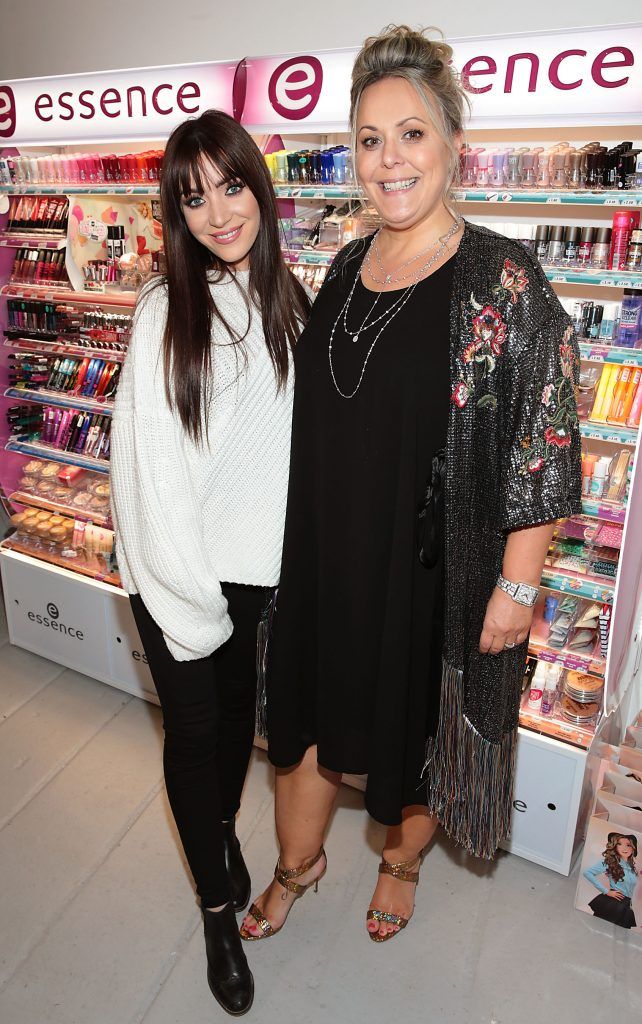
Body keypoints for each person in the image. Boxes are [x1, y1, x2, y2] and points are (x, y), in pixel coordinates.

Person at [241, 24, 582, 945]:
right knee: (303, 721)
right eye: (369, 138)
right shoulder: (349, 263)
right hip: (323, 552)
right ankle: (294, 868)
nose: (389, 160)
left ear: (454, 146)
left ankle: (397, 864)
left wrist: (518, 584)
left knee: (418, 732)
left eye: (412, 133)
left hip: (434, 566)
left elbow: (545, 440)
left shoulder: (504, 279)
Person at [110, 109, 310, 1013]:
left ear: (258, 187)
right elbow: (148, 481)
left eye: (232, 186)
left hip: (249, 572)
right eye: (193, 199)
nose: (219, 213)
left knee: (237, 723)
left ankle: (222, 832)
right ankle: (219, 913)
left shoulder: (287, 297)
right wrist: (191, 607)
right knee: (195, 739)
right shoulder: (165, 314)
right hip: (173, 572)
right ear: (174, 214)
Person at [584, 833, 639, 928]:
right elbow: (587, 873)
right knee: (601, 930)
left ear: (633, 848)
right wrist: (606, 891)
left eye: (628, 845)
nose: (624, 848)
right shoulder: (609, 862)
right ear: (614, 846)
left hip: (625, 905)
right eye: (619, 844)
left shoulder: (631, 867)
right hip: (612, 904)